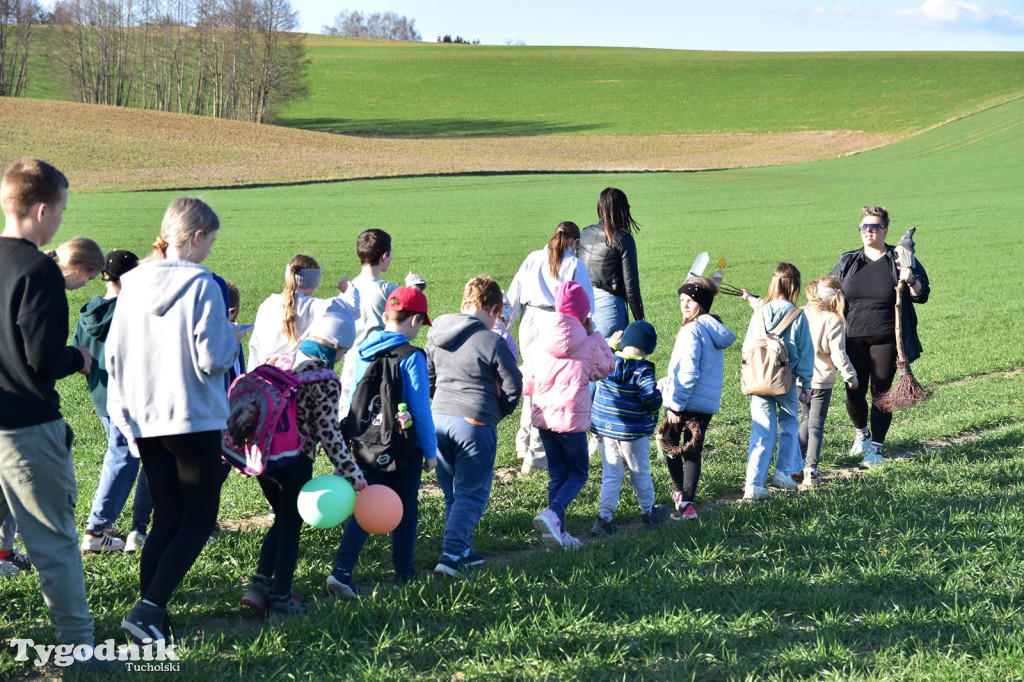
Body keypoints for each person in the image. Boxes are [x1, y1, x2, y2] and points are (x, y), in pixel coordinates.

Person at [107, 197, 242, 644]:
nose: (211, 249)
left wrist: (124, 414)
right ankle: (148, 610)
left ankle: (150, 614)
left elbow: (114, 355)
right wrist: (232, 338)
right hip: (192, 415)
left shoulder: (130, 284)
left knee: (165, 518)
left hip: (145, 417)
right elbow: (212, 358)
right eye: (211, 240)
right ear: (197, 236)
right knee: (199, 520)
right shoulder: (202, 283)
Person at [0, 158, 100, 656]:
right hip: (25, 430)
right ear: (41, 211)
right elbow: (43, 358)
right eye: (61, 210)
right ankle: (79, 650)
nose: (60, 220)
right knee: (54, 544)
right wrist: (78, 357)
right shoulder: (39, 269)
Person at [240, 301, 367, 616]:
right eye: (342, 352)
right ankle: (282, 597)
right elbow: (329, 434)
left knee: (283, 518)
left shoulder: (278, 359)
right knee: (290, 527)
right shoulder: (322, 377)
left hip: (261, 458)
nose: (340, 358)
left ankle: (259, 586)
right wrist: (353, 475)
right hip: (293, 461)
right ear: (336, 346)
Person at [328, 287, 437, 598]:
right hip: (401, 446)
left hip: (365, 443)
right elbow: (420, 409)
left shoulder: (362, 350)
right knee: (406, 506)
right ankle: (404, 573)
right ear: (414, 320)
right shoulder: (412, 356)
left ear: (386, 315)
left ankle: (342, 570)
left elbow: (354, 397)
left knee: (367, 504)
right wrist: (430, 451)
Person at [426, 276, 522, 576]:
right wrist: (498, 411)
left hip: (439, 420)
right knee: (471, 493)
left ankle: (463, 549)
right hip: (474, 422)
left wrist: (442, 403)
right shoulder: (491, 341)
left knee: (452, 491)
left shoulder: (436, 333)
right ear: (494, 309)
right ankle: (452, 554)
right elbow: (513, 385)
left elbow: (429, 377)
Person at [830, 206, 930, 467]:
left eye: (874, 227)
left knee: (881, 393)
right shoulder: (849, 260)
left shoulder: (899, 258)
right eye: (864, 227)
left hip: (886, 338)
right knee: (854, 389)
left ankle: (876, 448)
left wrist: (911, 279)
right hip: (852, 338)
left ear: (885, 230)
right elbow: (827, 288)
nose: (868, 231)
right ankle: (862, 433)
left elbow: (922, 294)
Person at [522, 281, 614, 550]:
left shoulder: (540, 342)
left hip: (544, 421)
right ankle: (552, 514)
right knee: (578, 474)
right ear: (584, 314)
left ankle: (558, 533)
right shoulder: (588, 343)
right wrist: (597, 336)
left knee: (557, 476)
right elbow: (607, 368)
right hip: (572, 423)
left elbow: (528, 383)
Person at [75, 249, 153, 553]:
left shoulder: (89, 311)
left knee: (123, 454)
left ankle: (103, 524)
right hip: (126, 395)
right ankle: (96, 529)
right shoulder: (129, 311)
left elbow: (78, 353)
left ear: (105, 276)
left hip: (100, 392)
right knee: (122, 456)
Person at [506, 221, 595, 473]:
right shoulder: (574, 264)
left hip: (529, 320)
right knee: (547, 389)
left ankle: (522, 443)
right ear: (575, 242)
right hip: (555, 323)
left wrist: (506, 326)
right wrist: (588, 332)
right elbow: (586, 302)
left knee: (531, 383)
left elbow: (514, 294)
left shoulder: (533, 257)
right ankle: (535, 456)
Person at [657, 276, 736, 519]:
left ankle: (680, 494)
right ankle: (687, 503)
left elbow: (688, 372)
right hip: (704, 403)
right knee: (693, 451)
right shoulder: (712, 328)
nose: (684, 304)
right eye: (682, 299)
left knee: (669, 444)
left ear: (701, 303)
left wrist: (676, 406)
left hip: (684, 400)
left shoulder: (692, 330)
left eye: (690, 300)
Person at [740, 263, 813, 501]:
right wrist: (806, 382)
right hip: (785, 381)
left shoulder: (759, 312)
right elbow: (805, 352)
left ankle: (754, 483)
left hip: (758, 379)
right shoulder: (797, 315)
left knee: (761, 430)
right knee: (789, 425)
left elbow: (748, 347)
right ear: (795, 286)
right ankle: (783, 472)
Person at [589, 320, 668, 535]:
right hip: (633, 432)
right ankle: (648, 512)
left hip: (608, 431)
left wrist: (611, 347)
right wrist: (659, 396)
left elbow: (599, 358)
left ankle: (605, 518)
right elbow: (650, 398)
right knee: (639, 472)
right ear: (647, 349)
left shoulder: (608, 362)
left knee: (611, 475)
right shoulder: (642, 370)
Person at [799, 276, 858, 487]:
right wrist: (850, 376)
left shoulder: (802, 313)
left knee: (805, 420)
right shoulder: (834, 320)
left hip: (800, 379)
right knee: (816, 426)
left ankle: (793, 466)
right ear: (836, 296)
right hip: (821, 381)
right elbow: (838, 355)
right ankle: (811, 471)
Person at [248, 254, 347, 370]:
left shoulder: (267, 304)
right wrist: (348, 289)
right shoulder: (316, 307)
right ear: (314, 282)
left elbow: (254, 346)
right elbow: (348, 310)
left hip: (264, 374)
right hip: (295, 376)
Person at [340, 229, 400, 413]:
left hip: (351, 359)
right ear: (385, 256)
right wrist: (417, 287)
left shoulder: (347, 290)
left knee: (347, 409)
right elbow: (408, 308)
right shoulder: (386, 289)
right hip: (377, 360)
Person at [577, 187, 645, 339]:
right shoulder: (624, 239)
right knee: (611, 353)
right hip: (610, 308)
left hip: (583, 306)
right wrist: (640, 320)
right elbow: (631, 286)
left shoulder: (584, 233)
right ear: (623, 210)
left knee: (588, 353)